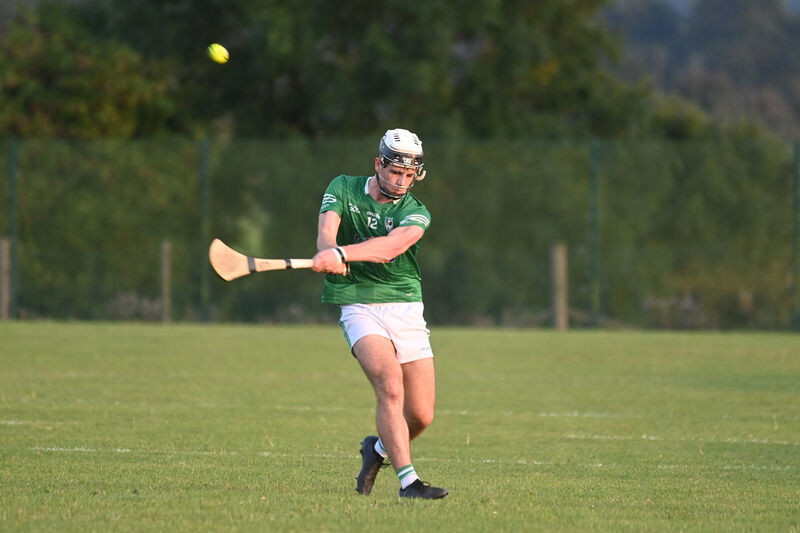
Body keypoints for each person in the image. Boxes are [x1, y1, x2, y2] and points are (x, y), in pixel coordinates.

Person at [311, 128, 447, 500]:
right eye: (394, 173)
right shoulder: (342, 187)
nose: (401, 182)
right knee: (390, 386)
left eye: (408, 175)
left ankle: (378, 450)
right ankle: (409, 483)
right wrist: (328, 251)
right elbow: (327, 232)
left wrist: (342, 254)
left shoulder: (416, 212)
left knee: (421, 415)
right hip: (356, 302)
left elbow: (390, 248)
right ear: (378, 164)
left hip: (403, 302)